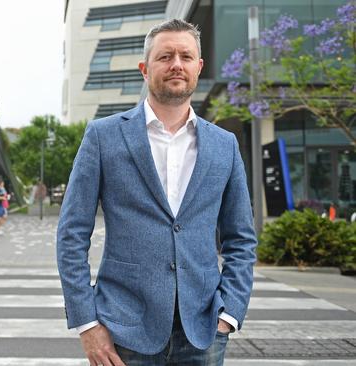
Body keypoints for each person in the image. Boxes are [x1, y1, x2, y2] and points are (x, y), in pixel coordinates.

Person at [56, 19, 257, 366]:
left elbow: (241, 238)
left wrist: (231, 312)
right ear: (144, 69)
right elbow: (71, 233)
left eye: (185, 56)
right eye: (165, 57)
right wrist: (87, 323)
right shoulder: (103, 137)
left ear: (198, 67)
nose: (176, 64)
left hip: (204, 333)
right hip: (122, 331)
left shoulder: (225, 145)